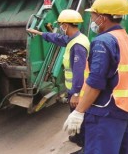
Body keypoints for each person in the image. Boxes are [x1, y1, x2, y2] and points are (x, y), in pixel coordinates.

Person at [63, 0, 128, 154]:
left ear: (103, 18)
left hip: (105, 113)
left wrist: (78, 112)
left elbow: (95, 82)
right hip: (127, 111)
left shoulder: (103, 41)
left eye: (94, 15)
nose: (92, 19)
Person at [27, 9, 89, 151]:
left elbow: (78, 72)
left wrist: (75, 94)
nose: (61, 27)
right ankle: (76, 137)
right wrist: (40, 33)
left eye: (61, 25)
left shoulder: (77, 45)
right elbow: (58, 38)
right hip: (73, 88)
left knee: (79, 116)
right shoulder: (75, 38)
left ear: (66, 25)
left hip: (78, 89)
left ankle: (84, 144)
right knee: (74, 113)